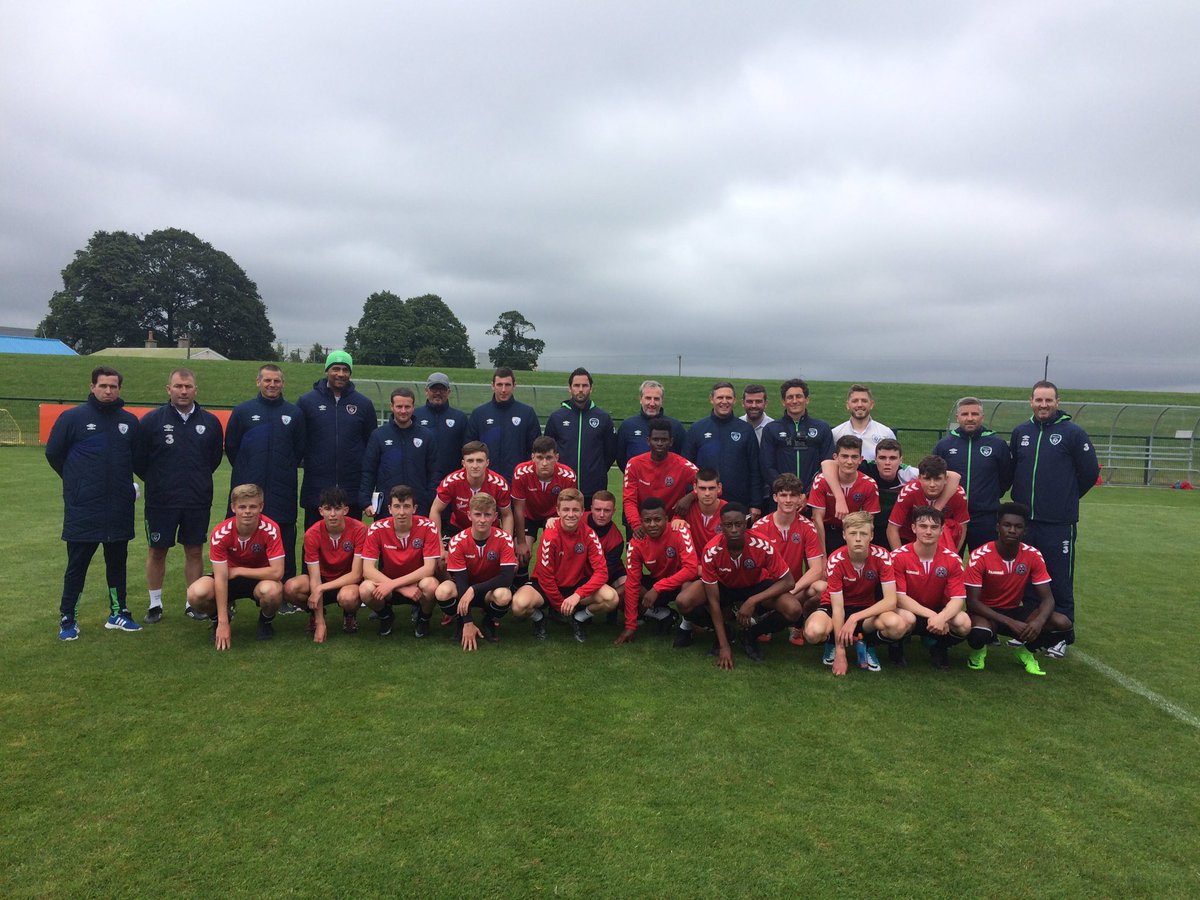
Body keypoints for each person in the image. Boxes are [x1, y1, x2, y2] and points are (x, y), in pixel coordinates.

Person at [46, 365, 142, 639]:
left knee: (117, 563)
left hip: (118, 507)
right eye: (103, 386)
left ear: (119, 389)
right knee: (77, 564)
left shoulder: (129, 422)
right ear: (92, 387)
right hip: (84, 507)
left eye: (113, 386)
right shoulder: (72, 418)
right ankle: (68, 618)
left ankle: (119, 612)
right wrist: (77, 482)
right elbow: (54, 454)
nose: (108, 390)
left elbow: (136, 460)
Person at [1009, 381, 1099, 656]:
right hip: (1026, 522)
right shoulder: (1021, 432)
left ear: (1057, 402)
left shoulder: (1073, 433)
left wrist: (1066, 499)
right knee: (1027, 579)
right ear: (1031, 401)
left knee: (1058, 578)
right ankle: (1032, 631)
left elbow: (1089, 473)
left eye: (1049, 400)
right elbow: (1014, 469)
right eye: (1039, 400)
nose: (1043, 405)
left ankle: (1062, 634)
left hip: (1058, 522)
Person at [132, 367, 224, 624]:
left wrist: (196, 479)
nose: (183, 391)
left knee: (194, 550)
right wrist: (159, 481)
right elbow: (139, 460)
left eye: (188, 386)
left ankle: (192, 602)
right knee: (157, 551)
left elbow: (213, 459)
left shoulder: (210, 422)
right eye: (178, 386)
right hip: (161, 501)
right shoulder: (152, 421)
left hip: (197, 499)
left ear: (196, 389)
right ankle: (155, 604)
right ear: (168, 389)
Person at [674, 503, 794, 666]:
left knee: (793, 609)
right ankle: (725, 632)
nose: (734, 530)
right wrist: (724, 647)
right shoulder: (711, 550)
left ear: (746, 524)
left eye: (738, 524)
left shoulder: (762, 545)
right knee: (683, 602)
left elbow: (788, 582)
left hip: (754, 586)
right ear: (721, 526)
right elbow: (714, 601)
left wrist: (753, 601)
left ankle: (751, 634)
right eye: (728, 525)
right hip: (724, 587)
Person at [964, 502, 1074, 676]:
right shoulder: (980, 556)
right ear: (998, 527)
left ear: (1025, 531)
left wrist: (1038, 622)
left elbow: (1048, 599)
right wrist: (1009, 623)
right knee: (980, 633)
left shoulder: (1033, 554)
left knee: (1063, 624)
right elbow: (972, 602)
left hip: (1014, 611)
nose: (1012, 530)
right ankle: (978, 651)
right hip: (986, 613)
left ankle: (1026, 651)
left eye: (1018, 526)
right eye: (1007, 525)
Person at [225, 364, 306, 580]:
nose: (272, 385)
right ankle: (233, 589)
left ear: (282, 383)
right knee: (240, 538)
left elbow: (298, 450)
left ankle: (284, 592)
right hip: (248, 489)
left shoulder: (293, 413)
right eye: (267, 380)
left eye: (276, 381)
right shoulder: (243, 411)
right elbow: (232, 448)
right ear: (258, 381)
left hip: (282, 489)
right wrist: (249, 469)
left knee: (284, 538)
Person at [802, 511, 906, 676]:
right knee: (813, 632)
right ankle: (832, 642)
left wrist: (855, 618)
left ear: (871, 535)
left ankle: (867, 643)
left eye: (863, 533)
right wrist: (840, 652)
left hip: (865, 610)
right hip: (836, 607)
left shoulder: (883, 556)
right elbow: (837, 608)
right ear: (844, 535)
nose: (858, 538)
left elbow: (890, 601)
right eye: (852, 533)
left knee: (897, 625)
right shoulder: (835, 561)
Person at [510, 489, 618, 642]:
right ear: (558, 511)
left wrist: (577, 595)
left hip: (575, 586)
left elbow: (602, 573)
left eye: (575, 510)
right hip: (547, 587)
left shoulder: (589, 534)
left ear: (582, 512)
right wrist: (559, 604)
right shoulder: (550, 534)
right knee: (518, 605)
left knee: (611, 598)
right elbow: (546, 577)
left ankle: (579, 618)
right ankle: (539, 618)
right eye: (566, 509)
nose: (571, 514)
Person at [187, 483, 285, 649]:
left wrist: (239, 570)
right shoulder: (220, 533)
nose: (247, 511)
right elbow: (220, 577)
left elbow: (277, 572)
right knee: (195, 594)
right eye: (242, 507)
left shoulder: (271, 529)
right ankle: (218, 618)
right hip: (228, 578)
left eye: (253, 506)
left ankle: (265, 621)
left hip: (258, 579)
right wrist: (223, 623)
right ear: (233, 508)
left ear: (261, 507)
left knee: (273, 591)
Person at [296, 351, 377, 530]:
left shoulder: (363, 404)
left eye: (345, 369)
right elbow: (298, 441)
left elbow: (371, 446)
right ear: (327, 370)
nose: (340, 374)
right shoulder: (306, 402)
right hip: (317, 488)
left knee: (351, 542)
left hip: (351, 488)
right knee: (314, 541)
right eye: (335, 369)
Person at [435, 493, 518, 651]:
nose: (482, 520)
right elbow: (461, 581)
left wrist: (475, 589)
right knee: (442, 591)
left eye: (487, 515)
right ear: (469, 515)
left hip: (489, 590)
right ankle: (460, 621)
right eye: (478, 514)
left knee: (504, 595)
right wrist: (468, 622)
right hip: (464, 587)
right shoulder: (457, 541)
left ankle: (489, 621)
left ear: (495, 516)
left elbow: (507, 578)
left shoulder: (504, 539)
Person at [282, 487, 367, 642]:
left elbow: (356, 574)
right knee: (290, 588)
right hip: (322, 579)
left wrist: (321, 588)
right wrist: (321, 624)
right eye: (328, 509)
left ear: (346, 510)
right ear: (321, 511)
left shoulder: (360, 529)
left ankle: (349, 614)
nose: (333, 514)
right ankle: (316, 615)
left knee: (348, 598)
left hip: (347, 582)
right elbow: (314, 578)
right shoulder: (312, 534)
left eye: (337, 509)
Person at [891, 506, 971, 670]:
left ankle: (940, 648)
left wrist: (942, 616)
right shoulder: (898, 556)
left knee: (964, 623)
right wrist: (934, 616)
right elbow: (899, 597)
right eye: (923, 526)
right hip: (909, 610)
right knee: (905, 620)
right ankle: (896, 648)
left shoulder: (952, 559)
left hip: (938, 610)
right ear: (913, 528)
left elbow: (958, 598)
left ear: (942, 530)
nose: (928, 531)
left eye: (934, 527)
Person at [750, 475, 826, 645]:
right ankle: (767, 621)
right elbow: (753, 569)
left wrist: (792, 591)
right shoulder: (760, 527)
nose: (788, 500)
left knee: (821, 587)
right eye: (783, 495)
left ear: (800, 498)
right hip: (767, 589)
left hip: (794, 588)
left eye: (793, 495)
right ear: (775, 497)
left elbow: (816, 569)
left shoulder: (807, 527)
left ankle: (799, 621)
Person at [359, 485, 441, 638]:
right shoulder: (377, 528)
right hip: (389, 585)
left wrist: (394, 585)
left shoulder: (428, 526)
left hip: (417, 584)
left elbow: (429, 568)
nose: (401, 512)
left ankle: (424, 618)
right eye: (397, 506)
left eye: (406, 506)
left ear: (414, 508)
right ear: (390, 509)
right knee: (365, 589)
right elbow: (367, 570)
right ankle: (386, 616)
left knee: (431, 585)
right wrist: (399, 587)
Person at [934, 397, 1014, 553]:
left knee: (986, 564)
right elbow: (935, 477)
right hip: (952, 516)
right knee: (948, 562)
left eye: (974, 414)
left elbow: (1006, 477)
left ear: (982, 417)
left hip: (986, 517)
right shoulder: (944, 445)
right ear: (957, 418)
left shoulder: (997, 444)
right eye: (965, 414)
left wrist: (988, 497)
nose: (970, 418)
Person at [616, 497, 699, 645]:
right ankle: (663, 615)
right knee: (621, 593)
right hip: (658, 582)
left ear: (666, 518)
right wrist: (630, 625)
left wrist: (658, 588)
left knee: (688, 587)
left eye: (657, 519)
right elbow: (633, 583)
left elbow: (691, 569)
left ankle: (686, 626)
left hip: (680, 582)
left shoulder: (679, 531)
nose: (652, 524)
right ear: (641, 522)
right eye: (647, 520)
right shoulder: (636, 543)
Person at [684, 381, 762, 515]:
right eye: (720, 397)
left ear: (735, 400)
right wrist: (691, 495)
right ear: (711, 399)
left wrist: (756, 504)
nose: (724, 401)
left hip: (738, 503)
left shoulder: (745, 430)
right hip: (703, 504)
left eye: (728, 398)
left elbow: (755, 469)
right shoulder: (697, 429)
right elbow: (686, 469)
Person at [360, 387, 438, 517]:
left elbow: (434, 471)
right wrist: (365, 500)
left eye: (407, 407)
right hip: (387, 506)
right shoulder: (379, 435)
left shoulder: (426, 436)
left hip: (418, 506)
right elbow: (369, 470)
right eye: (399, 406)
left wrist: (430, 498)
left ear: (413, 407)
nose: (403, 411)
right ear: (392, 407)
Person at [543, 367, 616, 504]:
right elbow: (548, 451)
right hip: (563, 488)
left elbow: (610, 452)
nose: (581, 389)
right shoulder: (557, 417)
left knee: (592, 524)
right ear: (569, 388)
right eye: (576, 385)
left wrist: (596, 470)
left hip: (594, 488)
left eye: (585, 385)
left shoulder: (603, 417)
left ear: (591, 388)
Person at [511, 436, 577, 576]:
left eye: (549, 457)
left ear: (557, 457)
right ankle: (519, 587)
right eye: (540, 458)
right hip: (528, 515)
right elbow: (518, 509)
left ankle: (554, 585)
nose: (544, 463)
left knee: (559, 553)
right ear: (533, 457)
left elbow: (568, 509)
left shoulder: (568, 475)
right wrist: (521, 542)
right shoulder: (521, 472)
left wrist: (557, 522)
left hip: (554, 516)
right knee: (522, 556)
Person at [622, 418, 699, 538]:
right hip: (644, 527)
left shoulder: (683, 465)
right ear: (648, 441)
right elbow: (629, 500)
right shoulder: (634, 464)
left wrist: (690, 496)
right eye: (655, 439)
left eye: (664, 440)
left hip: (672, 527)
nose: (659, 443)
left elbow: (714, 487)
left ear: (671, 442)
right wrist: (637, 525)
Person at [464, 367, 540, 483]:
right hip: (486, 482)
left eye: (507, 385)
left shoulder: (527, 413)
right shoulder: (479, 414)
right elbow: (469, 450)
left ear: (514, 386)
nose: (503, 390)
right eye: (499, 385)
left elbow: (535, 450)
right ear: (492, 386)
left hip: (517, 482)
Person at [807, 435, 881, 555]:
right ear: (836, 457)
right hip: (826, 531)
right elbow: (817, 519)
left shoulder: (869, 484)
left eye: (854, 457)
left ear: (861, 459)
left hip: (853, 530)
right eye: (845, 456)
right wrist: (823, 554)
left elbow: (869, 521)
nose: (849, 462)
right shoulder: (821, 481)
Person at [760, 378, 835, 493]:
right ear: (783, 401)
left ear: (807, 399)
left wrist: (808, 493)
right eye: (790, 397)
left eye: (799, 396)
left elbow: (827, 463)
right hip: (782, 496)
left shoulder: (822, 428)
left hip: (813, 497)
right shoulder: (771, 429)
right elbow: (767, 466)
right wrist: (786, 492)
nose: (794, 401)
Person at [429, 441, 514, 539]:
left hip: (489, 530)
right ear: (463, 463)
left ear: (487, 463)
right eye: (470, 461)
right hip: (458, 528)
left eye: (479, 461)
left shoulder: (499, 484)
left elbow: (507, 515)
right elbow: (435, 510)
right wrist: (438, 545)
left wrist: (507, 543)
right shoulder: (451, 482)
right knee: (441, 554)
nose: (475, 466)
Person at [887, 455, 970, 554]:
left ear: (946, 479)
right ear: (919, 478)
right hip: (910, 537)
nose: (932, 484)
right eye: (927, 479)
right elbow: (892, 528)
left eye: (937, 479)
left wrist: (953, 556)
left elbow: (962, 528)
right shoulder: (909, 492)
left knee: (950, 525)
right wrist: (900, 557)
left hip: (942, 539)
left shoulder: (958, 494)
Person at [615, 380, 686, 471]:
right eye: (648, 398)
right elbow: (621, 458)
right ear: (641, 399)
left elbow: (683, 458)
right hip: (637, 482)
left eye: (656, 399)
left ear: (662, 401)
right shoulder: (628, 426)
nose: (652, 403)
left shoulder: (675, 426)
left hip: (667, 482)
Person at [415, 372, 468, 487]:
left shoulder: (460, 418)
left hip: (452, 482)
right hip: (421, 481)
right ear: (426, 391)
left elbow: (466, 452)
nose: (438, 393)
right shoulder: (415, 416)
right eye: (434, 389)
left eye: (442, 389)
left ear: (449, 392)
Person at [831, 384, 896, 462]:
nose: (859, 405)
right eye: (855, 401)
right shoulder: (836, 433)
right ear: (847, 405)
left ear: (871, 404)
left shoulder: (886, 433)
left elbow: (895, 462)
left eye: (864, 401)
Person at [678, 467, 726, 548]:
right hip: (691, 559)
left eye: (711, 488)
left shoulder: (728, 512)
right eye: (702, 488)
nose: (707, 493)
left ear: (719, 488)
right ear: (695, 488)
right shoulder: (686, 509)